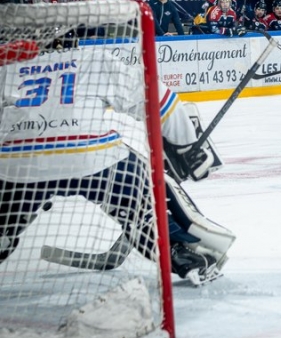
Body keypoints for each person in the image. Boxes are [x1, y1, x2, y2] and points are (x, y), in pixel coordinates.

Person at [0, 25, 234, 284]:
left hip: (17, 163)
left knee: (5, 211)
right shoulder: (92, 59)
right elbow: (158, 99)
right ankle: (178, 251)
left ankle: (5, 233)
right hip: (90, 156)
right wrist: (189, 148)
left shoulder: (7, 71)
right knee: (139, 195)